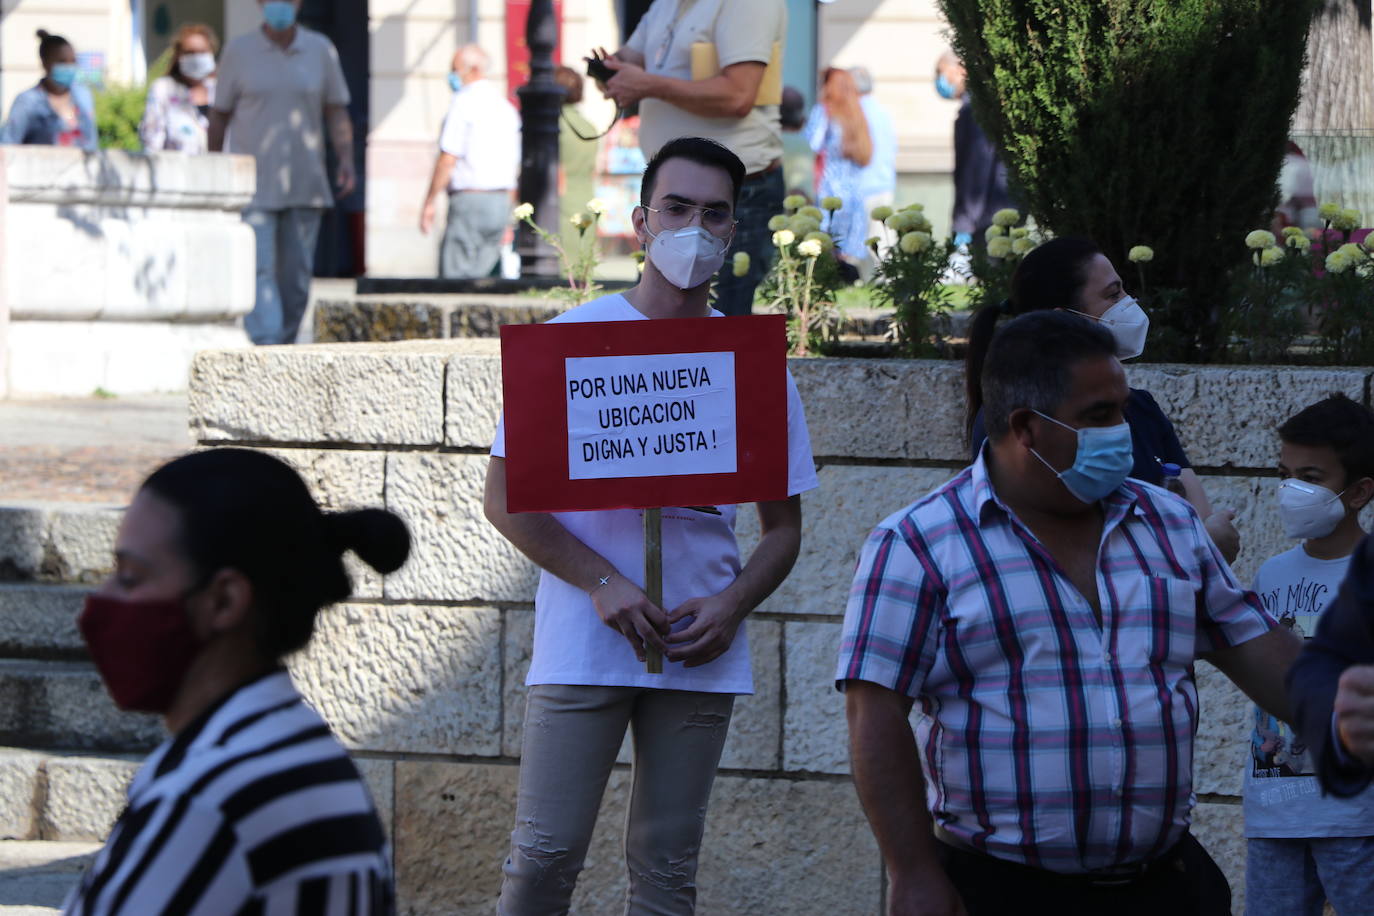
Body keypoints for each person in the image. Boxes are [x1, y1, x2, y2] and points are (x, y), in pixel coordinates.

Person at [839, 310, 1301, 915]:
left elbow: (1266, 657)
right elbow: (874, 716)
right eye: (1100, 416)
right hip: (1000, 890)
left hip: (1164, 886)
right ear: (1027, 427)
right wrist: (914, 873)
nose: (1125, 433)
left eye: (1123, 409)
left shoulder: (1168, 523)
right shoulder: (919, 544)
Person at [485, 137, 816, 913]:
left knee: (667, 868)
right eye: (676, 208)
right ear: (640, 220)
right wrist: (600, 582)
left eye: (713, 213)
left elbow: (783, 530)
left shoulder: (753, 364)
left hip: (699, 641)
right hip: (583, 636)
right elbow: (505, 500)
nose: (692, 227)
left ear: (735, 229)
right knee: (542, 857)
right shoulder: (569, 342)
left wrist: (732, 606)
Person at [61, 448, 409, 915]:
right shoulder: (304, 754)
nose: (99, 599)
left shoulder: (207, 796)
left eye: (130, 577)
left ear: (224, 602)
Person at [965, 237, 1242, 562]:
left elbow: (1196, 516)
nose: (1130, 304)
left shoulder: (1142, 408)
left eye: (1116, 410)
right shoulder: (1011, 419)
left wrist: (1203, 543)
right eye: (1113, 294)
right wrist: (1202, 549)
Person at [1241, 394, 1374, 915]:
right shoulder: (1270, 575)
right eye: (1284, 473)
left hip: (1357, 817)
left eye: (1311, 476)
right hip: (1273, 814)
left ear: (1360, 491)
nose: (1291, 490)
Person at [600, 0, 787, 316]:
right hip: (666, 188)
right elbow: (628, 60)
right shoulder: (666, 4)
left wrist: (646, 84)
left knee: (722, 327)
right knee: (656, 315)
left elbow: (739, 95)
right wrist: (609, 70)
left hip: (735, 191)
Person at [208, 0, 354, 346]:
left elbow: (336, 111)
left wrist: (347, 160)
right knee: (258, 269)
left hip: (305, 184)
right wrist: (212, 166)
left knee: (297, 276)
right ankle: (266, 343)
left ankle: (286, 342)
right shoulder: (239, 51)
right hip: (252, 185)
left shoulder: (320, 50)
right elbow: (219, 115)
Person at [419, 45, 520, 279]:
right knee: (483, 276)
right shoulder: (505, 108)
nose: (452, 76)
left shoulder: (463, 104)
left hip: (469, 200)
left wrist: (430, 201)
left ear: (473, 69)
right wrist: (509, 214)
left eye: (455, 70)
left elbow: (448, 158)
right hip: (500, 200)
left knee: (455, 276)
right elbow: (513, 166)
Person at [936, 49, 1014, 247]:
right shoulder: (978, 106)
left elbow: (976, 166)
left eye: (942, 72)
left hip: (986, 215)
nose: (940, 79)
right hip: (996, 209)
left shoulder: (974, 111)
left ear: (961, 69)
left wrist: (965, 220)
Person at [803, 67, 873, 265]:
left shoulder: (825, 111)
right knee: (846, 257)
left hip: (829, 191)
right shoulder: (857, 114)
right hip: (854, 194)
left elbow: (812, 144)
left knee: (826, 250)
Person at [0, 30, 97, 151]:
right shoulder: (28, 102)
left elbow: (92, 145)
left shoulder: (83, 97)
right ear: (45, 62)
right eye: (62, 61)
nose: (69, 67)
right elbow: (7, 146)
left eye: (72, 61)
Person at [139, 23, 218, 153]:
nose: (196, 58)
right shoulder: (163, 90)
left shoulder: (220, 91)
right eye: (190, 52)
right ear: (178, 56)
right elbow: (151, 143)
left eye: (202, 52)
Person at [849, 66, 897, 264]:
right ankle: (889, 283)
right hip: (884, 185)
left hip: (862, 187)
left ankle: (855, 283)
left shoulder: (854, 115)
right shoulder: (883, 113)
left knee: (856, 244)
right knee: (883, 241)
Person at [553, 64, 600, 256]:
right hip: (586, 199)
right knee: (584, 265)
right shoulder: (589, 126)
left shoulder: (553, 125)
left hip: (560, 202)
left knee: (563, 268)